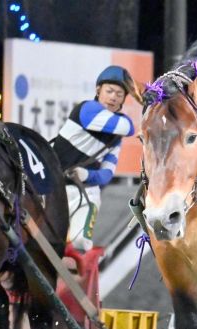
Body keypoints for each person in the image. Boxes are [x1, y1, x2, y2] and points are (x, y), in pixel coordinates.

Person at [52, 65, 135, 251]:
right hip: (54, 187)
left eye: (120, 94)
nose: (114, 97)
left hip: (85, 193)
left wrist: (86, 175)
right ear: (98, 91)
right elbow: (129, 127)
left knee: (80, 243)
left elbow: (107, 173)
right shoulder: (87, 109)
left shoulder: (115, 137)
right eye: (110, 91)